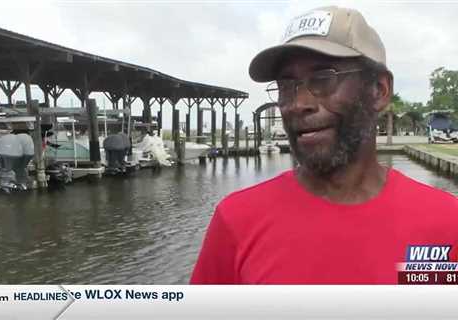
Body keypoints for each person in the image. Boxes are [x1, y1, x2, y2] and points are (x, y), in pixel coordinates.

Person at [190, 6, 458, 284]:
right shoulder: (236, 221)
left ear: (379, 90)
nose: (298, 104)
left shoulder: (446, 224)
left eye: (324, 78)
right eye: (286, 85)